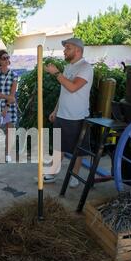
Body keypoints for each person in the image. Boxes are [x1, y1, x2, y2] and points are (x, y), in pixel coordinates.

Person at [43, 38, 93, 188]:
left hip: (77, 116)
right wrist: (56, 110)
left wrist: (56, 73)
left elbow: (72, 87)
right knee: (59, 146)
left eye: (68, 48)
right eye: (65, 48)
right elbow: (64, 91)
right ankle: (52, 173)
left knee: (77, 150)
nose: (64, 51)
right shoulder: (68, 67)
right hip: (63, 114)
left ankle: (75, 176)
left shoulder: (85, 68)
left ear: (78, 50)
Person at [0, 50, 18, 163]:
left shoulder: (14, 75)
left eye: (7, 57)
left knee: (9, 129)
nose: (6, 60)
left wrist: (6, 107)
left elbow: (13, 94)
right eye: (3, 58)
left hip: (8, 107)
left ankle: (8, 154)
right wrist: (8, 98)